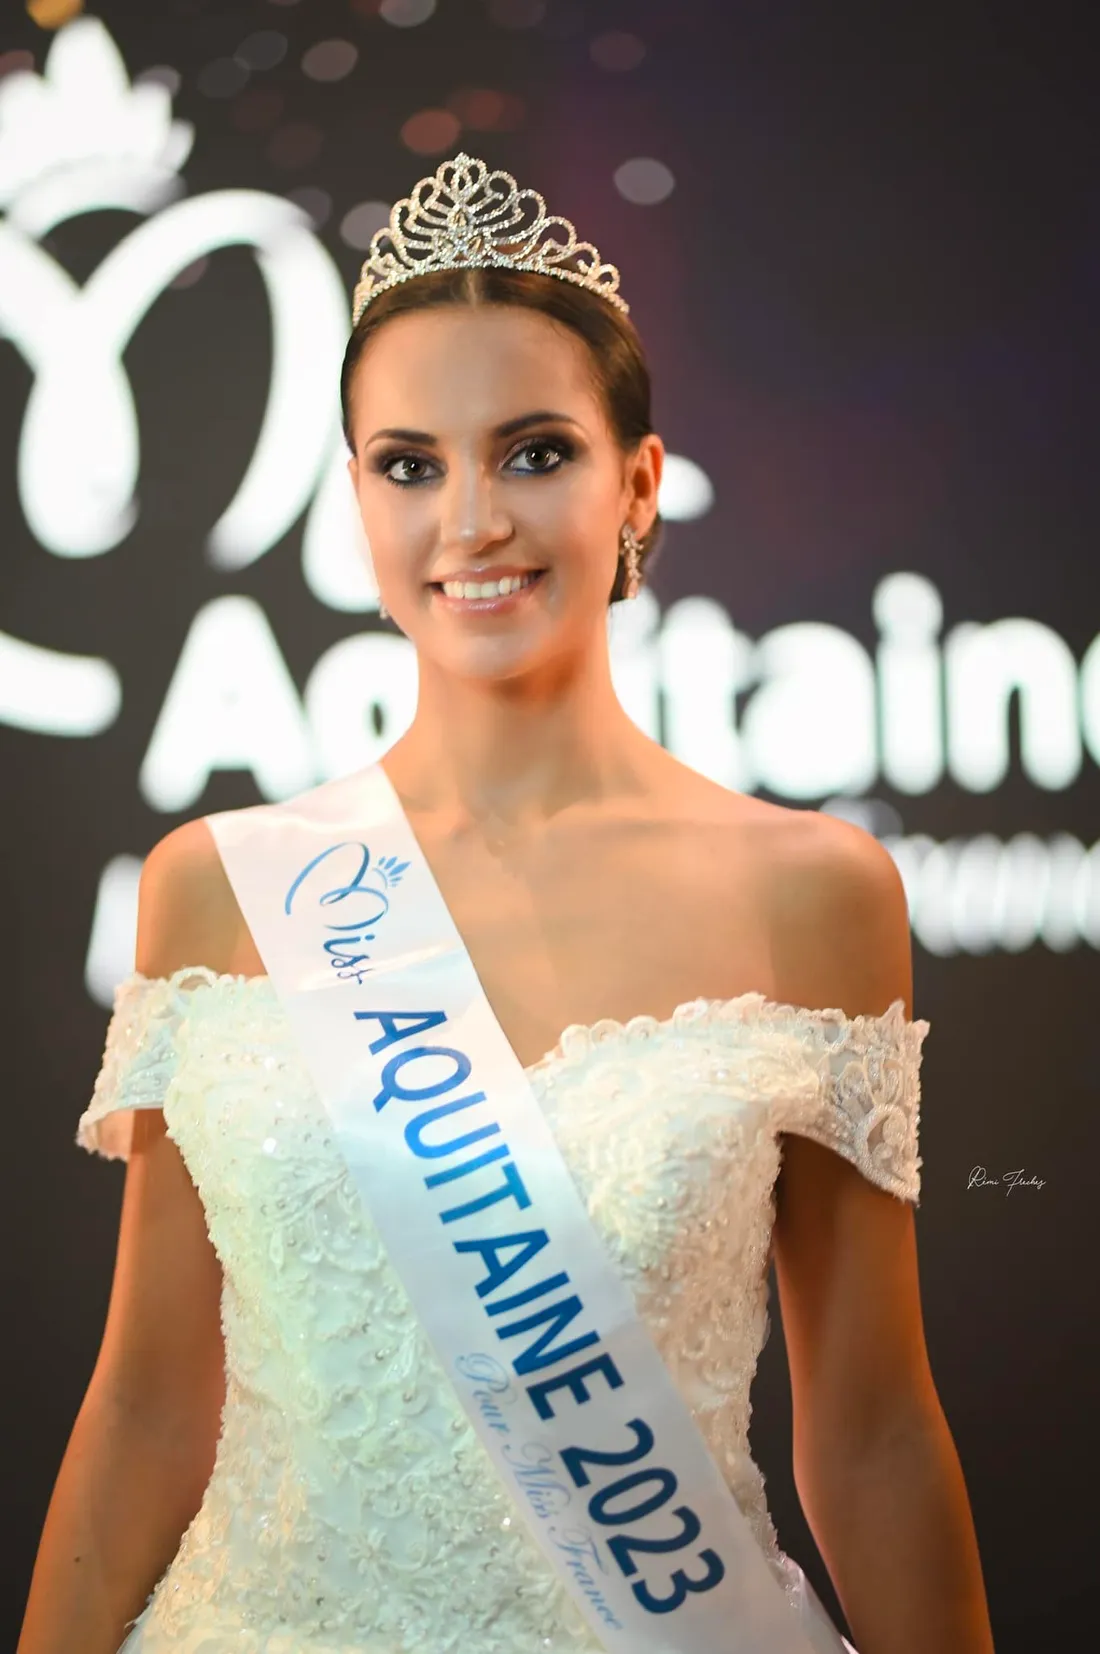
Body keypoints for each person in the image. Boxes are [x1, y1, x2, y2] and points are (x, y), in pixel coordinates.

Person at [19, 153, 995, 1654]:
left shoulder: (815, 893)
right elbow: (150, 1400)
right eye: (409, 463)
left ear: (639, 483)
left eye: (534, 451)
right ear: (354, 495)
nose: (469, 518)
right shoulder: (222, 890)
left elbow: (868, 1434)